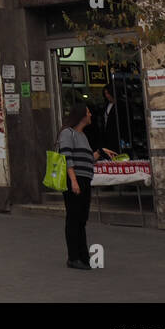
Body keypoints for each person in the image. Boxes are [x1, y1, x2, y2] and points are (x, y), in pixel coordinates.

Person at [59, 103, 99, 270]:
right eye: (89, 113)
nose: (91, 115)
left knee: (82, 219)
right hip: (73, 180)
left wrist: (100, 153)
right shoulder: (67, 134)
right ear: (82, 115)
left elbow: (87, 158)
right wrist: (73, 181)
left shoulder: (82, 135)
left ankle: (83, 256)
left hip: (85, 180)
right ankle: (73, 257)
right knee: (73, 218)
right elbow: (67, 157)